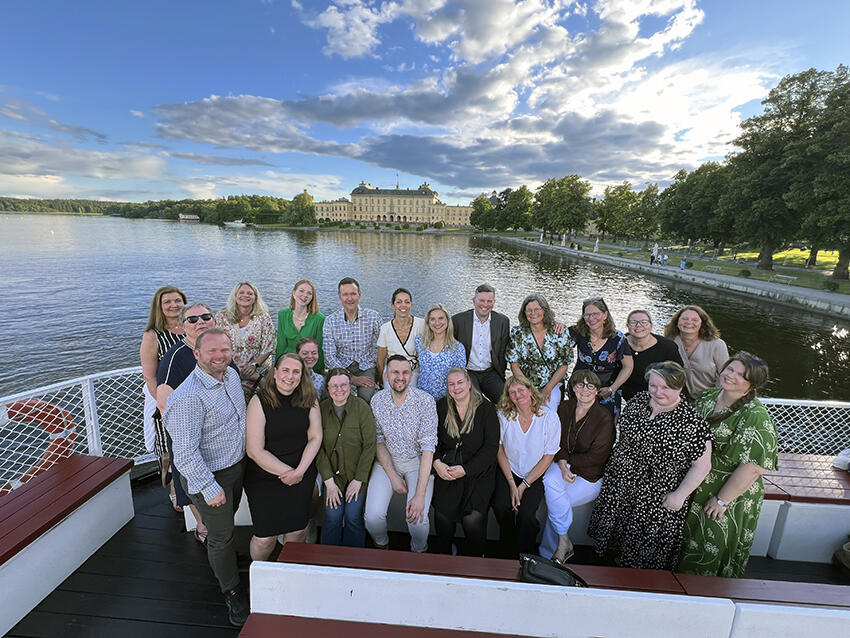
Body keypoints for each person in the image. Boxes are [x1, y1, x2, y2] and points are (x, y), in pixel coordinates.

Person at [588, 361, 713, 570]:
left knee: (641, 551)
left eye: (666, 387)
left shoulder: (692, 423)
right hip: (620, 485)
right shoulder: (638, 401)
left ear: (680, 388)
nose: (658, 392)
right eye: (653, 385)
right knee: (611, 541)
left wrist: (680, 495)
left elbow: (702, 466)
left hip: (656, 495)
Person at [163, 328, 249, 627]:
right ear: (197, 354)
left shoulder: (232, 377)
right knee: (221, 536)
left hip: (236, 466)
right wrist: (209, 487)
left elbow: (240, 418)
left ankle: (227, 567)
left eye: (224, 350)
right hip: (211, 476)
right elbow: (184, 453)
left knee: (227, 522)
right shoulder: (188, 397)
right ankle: (232, 591)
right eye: (212, 351)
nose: (220, 355)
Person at [679, 352, 778, 577]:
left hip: (729, 492)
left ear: (752, 384)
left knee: (710, 543)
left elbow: (754, 467)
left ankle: (707, 598)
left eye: (741, 375)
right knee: (688, 540)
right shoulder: (708, 397)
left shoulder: (755, 415)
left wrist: (722, 500)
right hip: (698, 481)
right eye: (730, 369)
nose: (731, 376)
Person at [243, 352, 322, 560]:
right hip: (264, 476)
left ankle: (287, 572)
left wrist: (300, 472)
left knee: (296, 532)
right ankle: (259, 573)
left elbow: (315, 437)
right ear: (275, 373)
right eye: (285, 370)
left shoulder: (309, 398)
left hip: (301, 471)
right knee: (265, 538)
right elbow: (254, 450)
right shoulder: (259, 402)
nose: (290, 376)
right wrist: (289, 473)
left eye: (296, 372)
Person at [157, 303, 223, 543]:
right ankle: (202, 528)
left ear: (214, 320)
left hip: (218, 436)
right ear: (182, 326)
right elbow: (164, 402)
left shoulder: (217, 348)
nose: (200, 322)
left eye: (206, 317)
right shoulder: (175, 357)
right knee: (192, 485)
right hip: (191, 436)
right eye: (193, 319)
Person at [540, 370, 615, 563]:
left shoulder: (605, 419)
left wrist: (567, 463)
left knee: (556, 503)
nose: (585, 390)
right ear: (573, 388)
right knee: (550, 481)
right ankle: (563, 543)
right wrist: (563, 465)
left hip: (589, 477)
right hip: (564, 464)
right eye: (579, 385)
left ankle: (549, 552)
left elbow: (597, 457)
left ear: (597, 390)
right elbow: (555, 440)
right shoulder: (564, 408)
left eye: (590, 386)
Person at [364, 355, 437, 552]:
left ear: (411, 375)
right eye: (395, 372)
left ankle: (418, 554)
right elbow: (379, 440)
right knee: (372, 517)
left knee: (417, 520)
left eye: (405, 372)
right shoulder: (378, 400)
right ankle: (383, 548)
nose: (400, 377)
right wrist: (393, 476)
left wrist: (419, 495)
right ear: (386, 376)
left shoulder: (425, 401)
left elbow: (428, 448)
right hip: (388, 461)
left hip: (417, 462)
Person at [432, 367, 499, 556]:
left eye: (460, 382)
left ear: (469, 384)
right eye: (451, 384)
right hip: (448, 469)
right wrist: (436, 463)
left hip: (478, 472)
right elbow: (431, 440)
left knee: (472, 520)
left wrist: (466, 469)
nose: (456, 387)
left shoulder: (486, 409)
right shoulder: (441, 407)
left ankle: (477, 560)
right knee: (442, 517)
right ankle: (446, 558)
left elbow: (490, 449)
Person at [493, 375, 560, 557]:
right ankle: (507, 547)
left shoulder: (549, 417)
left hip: (534, 473)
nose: (517, 395)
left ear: (530, 391)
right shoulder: (504, 416)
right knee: (501, 506)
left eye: (521, 390)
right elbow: (500, 450)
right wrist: (512, 484)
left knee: (526, 515)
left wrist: (523, 486)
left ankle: (526, 554)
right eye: (512, 393)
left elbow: (548, 456)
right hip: (509, 470)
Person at [316, 368, 377, 547]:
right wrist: (329, 482)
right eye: (334, 386)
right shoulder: (320, 410)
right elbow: (316, 447)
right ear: (327, 388)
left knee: (353, 515)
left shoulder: (362, 408)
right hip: (332, 478)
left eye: (343, 384)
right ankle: (328, 562)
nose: (339, 389)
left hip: (357, 475)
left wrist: (359, 479)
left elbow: (370, 446)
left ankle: (353, 563)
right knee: (333, 515)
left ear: (350, 386)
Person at [139, 285, 186, 499]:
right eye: (167, 302)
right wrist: (164, 404)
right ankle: (176, 491)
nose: (173, 305)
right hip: (168, 400)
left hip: (193, 396)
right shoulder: (153, 335)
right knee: (172, 447)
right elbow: (150, 376)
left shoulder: (192, 327)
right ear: (159, 307)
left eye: (177, 300)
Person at [506, 293, 572, 412]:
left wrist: (547, 389)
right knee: (521, 411)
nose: (533, 313)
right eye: (529, 310)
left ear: (545, 310)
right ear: (524, 313)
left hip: (552, 384)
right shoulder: (518, 333)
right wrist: (527, 389)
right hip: (525, 383)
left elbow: (564, 365)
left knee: (548, 411)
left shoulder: (559, 332)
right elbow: (514, 364)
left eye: (537, 309)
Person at [568, 297, 634, 416]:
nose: (591, 318)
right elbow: (553, 342)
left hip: (605, 391)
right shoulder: (577, 332)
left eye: (596, 314)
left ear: (605, 315)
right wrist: (558, 326)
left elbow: (628, 367)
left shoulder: (617, 339)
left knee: (605, 429)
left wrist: (612, 389)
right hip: (579, 389)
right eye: (587, 315)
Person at [323, 277, 382, 403]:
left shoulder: (373, 317)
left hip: (365, 366)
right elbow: (329, 357)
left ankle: (363, 420)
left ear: (359, 295)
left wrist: (381, 371)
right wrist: (352, 378)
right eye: (345, 294)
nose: (350, 298)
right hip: (340, 366)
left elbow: (384, 345)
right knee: (334, 397)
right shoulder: (330, 321)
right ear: (340, 296)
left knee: (366, 397)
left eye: (353, 294)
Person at [215, 282, 276, 399]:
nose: (245, 295)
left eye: (250, 293)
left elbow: (268, 347)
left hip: (257, 368)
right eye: (241, 292)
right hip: (228, 367)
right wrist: (232, 367)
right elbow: (216, 344)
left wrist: (254, 366)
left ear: (255, 298)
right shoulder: (222, 316)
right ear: (235, 296)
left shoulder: (263, 317)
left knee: (245, 394)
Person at [452, 284, 511, 404]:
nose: (485, 305)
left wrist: (501, 376)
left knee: (506, 401)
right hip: (468, 372)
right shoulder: (458, 320)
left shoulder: (502, 321)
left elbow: (503, 351)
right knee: (476, 403)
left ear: (494, 303)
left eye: (489, 301)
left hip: (490, 372)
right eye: (481, 300)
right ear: (474, 301)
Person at [664, 305, 729, 399]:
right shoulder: (669, 342)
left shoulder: (717, 345)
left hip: (708, 399)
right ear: (677, 322)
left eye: (695, 320)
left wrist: (715, 399)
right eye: (684, 318)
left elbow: (725, 376)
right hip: (676, 398)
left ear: (702, 323)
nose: (689, 322)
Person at [621, 309, 683, 401]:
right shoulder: (619, 343)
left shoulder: (667, 347)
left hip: (659, 396)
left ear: (651, 326)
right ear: (628, 326)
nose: (639, 325)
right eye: (633, 322)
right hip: (628, 397)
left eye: (644, 322)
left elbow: (677, 376)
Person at [415, 304, 466, 401]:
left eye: (441, 318)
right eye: (432, 319)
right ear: (428, 322)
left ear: (447, 320)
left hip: (446, 400)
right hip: (422, 398)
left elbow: (460, 378)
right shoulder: (420, 342)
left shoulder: (457, 348)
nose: (437, 323)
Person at [376, 287, 425, 386]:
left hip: (413, 370)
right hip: (392, 370)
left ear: (411, 305)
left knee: (411, 392)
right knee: (390, 393)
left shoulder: (421, 325)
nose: (403, 305)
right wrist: (381, 382)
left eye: (407, 302)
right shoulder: (385, 329)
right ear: (393, 306)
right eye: (399, 302)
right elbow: (380, 361)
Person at [276, 279, 325, 372]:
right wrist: (277, 368)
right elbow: (281, 345)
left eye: (309, 293)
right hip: (287, 364)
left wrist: (318, 373)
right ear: (294, 293)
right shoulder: (282, 314)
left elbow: (319, 350)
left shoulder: (320, 319)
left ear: (312, 297)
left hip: (308, 366)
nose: (305, 295)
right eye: (301, 291)